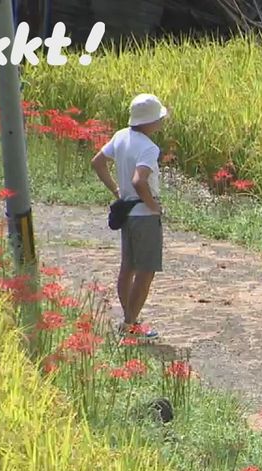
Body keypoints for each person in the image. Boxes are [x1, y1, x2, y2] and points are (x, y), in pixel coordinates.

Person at [91, 93, 168, 341]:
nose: (161, 122)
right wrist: (153, 206)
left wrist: (117, 191)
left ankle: (129, 320)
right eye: (158, 118)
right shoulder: (149, 147)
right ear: (149, 122)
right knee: (145, 272)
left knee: (128, 268)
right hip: (144, 216)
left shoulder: (121, 136)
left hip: (127, 213)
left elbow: (98, 162)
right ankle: (129, 326)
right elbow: (139, 180)